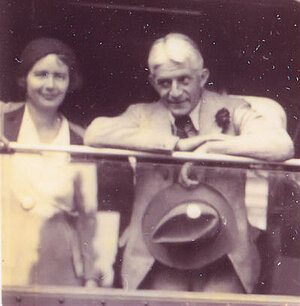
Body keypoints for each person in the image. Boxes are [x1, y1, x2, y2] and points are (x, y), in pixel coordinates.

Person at [84, 33, 294, 293]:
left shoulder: (234, 108)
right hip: (157, 255)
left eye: (184, 80)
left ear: (203, 77)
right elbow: (95, 133)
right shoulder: (141, 114)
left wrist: (212, 146)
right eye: (164, 83)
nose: (174, 92)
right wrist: (174, 145)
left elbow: (281, 145)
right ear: (152, 81)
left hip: (225, 257)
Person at [0, 37, 101, 286]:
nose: (50, 85)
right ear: (25, 78)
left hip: (59, 260)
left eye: (59, 76)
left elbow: (88, 217)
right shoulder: (3, 121)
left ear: (70, 82)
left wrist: (91, 277)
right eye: (41, 74)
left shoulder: (80, 139)